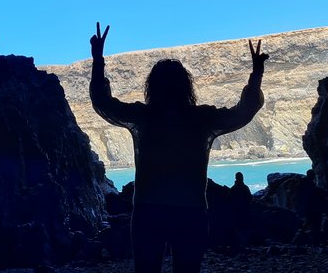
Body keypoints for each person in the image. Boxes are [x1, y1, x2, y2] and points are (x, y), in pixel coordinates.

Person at [89, 23, 267, 273]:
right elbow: (242, 113)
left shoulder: (142, 117)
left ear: (152, 86)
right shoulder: (201, 119)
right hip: (190, 210)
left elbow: (103, 103)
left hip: (148, 210)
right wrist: (256, 74)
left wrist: (98, 61)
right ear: (186, 86)